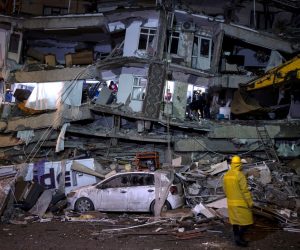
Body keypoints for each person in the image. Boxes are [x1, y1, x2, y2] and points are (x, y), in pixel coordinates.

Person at [223, 155, 254, 247]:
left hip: (231, 203)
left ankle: (237, 239)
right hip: (241, 203)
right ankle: (239, 238)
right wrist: (250, 203)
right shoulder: (240, 175)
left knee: (235, 222)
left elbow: (225, 190)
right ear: (239, 164)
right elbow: (245, 191)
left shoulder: (226, 175)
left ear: (232, 164)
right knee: (248, 221)